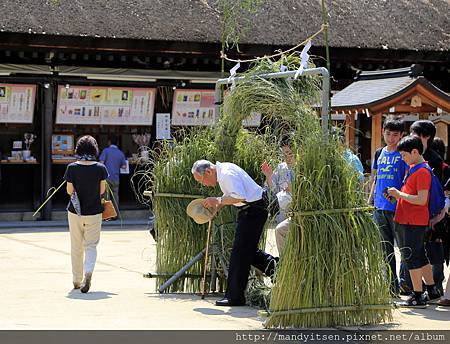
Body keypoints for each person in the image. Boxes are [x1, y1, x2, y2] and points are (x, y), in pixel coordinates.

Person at [191, 160, 278, 306]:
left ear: (208, 172)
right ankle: (277, 268)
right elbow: (233, 196)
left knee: (240, 252)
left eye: (202, 180)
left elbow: (239, 196)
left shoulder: (225, 174)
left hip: (254, 210)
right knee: (245, 252)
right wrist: (217, 206)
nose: (204, 184)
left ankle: (235, 297)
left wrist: (217, 200)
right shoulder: (223, 171)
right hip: (250, 210)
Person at [387, 135, 442, 307]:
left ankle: (418, 295)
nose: (403, 159)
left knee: (411, 258)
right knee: (419, 255)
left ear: (415, 152)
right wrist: (396, 198)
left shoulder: (422, 171)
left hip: (413, 221)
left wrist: (399, 194)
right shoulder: (416, 169)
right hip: (410, 220)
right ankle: (431, 289)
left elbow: (421, 199)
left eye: (404, 155)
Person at [64, 135, 108, 293]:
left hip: (75, 212)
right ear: (94, 149)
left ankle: (77, 280)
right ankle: (88, 273)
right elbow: (102, 191)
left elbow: (69, 191)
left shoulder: (72, 167)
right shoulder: (100, 168)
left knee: (76, 246)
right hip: (94, 212)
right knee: (91, 246)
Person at [368, 118, 407, 296]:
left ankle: (405, 284)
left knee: (404, 248)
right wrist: (369, 201)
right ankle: (391, 286)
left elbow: (408, 179)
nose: (391, 138)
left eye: (395, 135)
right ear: (383, 131)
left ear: (401, 135)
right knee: (385, 249)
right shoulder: (379, 153)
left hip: (398, 208)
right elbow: (375, 179)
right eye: (388, 133)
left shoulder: (403, 154)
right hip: (379, 207)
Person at [409, 121, 446, 294]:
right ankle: (413, 285)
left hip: (430, 213)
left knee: (433, 248)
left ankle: (435, 285)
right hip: (412, 211)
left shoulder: (435, 159)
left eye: (416, 134)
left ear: (426, 136)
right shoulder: (409, 155)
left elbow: (438, 191)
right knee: (412, 249)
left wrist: (437, 215)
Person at [261, 136, 295, 254]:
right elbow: (272, 192)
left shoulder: (304, 167)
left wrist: (294, 189)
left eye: (290, 154)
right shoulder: (281, 168)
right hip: (282, 215)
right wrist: (269, 176)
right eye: (284, 155)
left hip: (298, 214)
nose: (287, 158)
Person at [99, 135, 126, 213]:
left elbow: (101, 163)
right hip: (116, 178)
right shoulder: (120, 153)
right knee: (115, 197)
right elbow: (124, 166)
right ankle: (115, 214)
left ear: (109, 142)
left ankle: (108, 215)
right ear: (117, 143)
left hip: (107, 177)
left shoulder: (106, 151)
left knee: (106, 197)